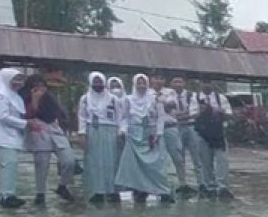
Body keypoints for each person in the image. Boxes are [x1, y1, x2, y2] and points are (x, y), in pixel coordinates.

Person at [116, 74, 174, 204]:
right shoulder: (128, 100)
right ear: (134, 84)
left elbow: (161, 117)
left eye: (144, 83)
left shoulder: (154, 99)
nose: (141, 86)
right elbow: (124, 118)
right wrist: (123, 131)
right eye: (139, 83)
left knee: (156, 165)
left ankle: (162, 191)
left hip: (151, 135)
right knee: (136, 166)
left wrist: (158, 134)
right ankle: (139, 190)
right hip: (134, 136)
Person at [21, 74, 76, 205]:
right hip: (38, 128)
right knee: (42, 163)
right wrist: (35, 99)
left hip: (54, 128)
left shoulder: (51, 98)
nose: (41, 89)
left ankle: (62, 186)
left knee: (69, 161)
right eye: (37, 87)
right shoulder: (24, 98)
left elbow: (59, 114)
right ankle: (40, 194)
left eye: (42, 86)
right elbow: (28, 114)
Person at [0, 68, 33, 209]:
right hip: (2, 135)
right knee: (8, 164)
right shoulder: (0, 96)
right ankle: (7, 196)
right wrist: (26, 124)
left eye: (20, 80)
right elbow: (3, 116)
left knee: (11, 165)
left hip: (11, 135)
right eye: (14, 80)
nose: (18, 83)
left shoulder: (14, 96)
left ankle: (9, 194)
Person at [77, 72, 123, 204]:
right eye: (95, 82)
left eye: (100, 81)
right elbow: (82, 117)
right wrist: (82, 134)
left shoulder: (113, 99)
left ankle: (113, 191)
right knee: (94, 162)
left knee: (111, 161)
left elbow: (119, 117)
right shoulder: (85, 99)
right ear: (91, 83)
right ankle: (97, 191)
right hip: (93, 131)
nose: (98, 84)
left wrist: (120, 132)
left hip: (110, 131)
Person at [190, 80, 234, 200]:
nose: (207, 85)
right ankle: (209, 187)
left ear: (213, 84)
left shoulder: (221, 98)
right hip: (202, 133)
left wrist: (219, 112)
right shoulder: (196, 98)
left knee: (222, 161)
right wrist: (202, 110)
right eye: (205, 83)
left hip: (218, 133)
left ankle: (223, 187)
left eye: (209, 83)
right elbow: (192, 115)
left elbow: (230, 114)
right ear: (200, 84)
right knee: (205, 161)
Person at [160, 76, 200, 197]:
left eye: (180, 82)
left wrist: (178, 116)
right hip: (176, 128)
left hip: (191, 127)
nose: (178, 84)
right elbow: (166, 112)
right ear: (171, 84)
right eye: (175, 81)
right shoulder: (167, 96)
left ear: (184, 83)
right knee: (179, 156)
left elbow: (195, 113)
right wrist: (182, 115)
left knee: (196, 156)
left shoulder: (191, 95)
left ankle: (201, 183)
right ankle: (182, 183)